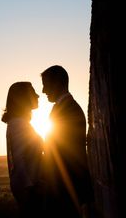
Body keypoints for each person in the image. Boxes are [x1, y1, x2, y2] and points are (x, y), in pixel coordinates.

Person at [41, 65, 93, 218]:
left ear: (56, 84)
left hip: (66, 189)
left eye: (45, 85)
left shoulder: (70, 110)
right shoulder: (64, 108)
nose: (43, 90)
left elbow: (65, 154)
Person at [2, 82, 44, 218]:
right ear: (23, 98)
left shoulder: (17, 123)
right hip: (31, 191)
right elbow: (19, 159)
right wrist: (30, 190)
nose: (37, 95)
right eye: (33, 92)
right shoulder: (19, 124)